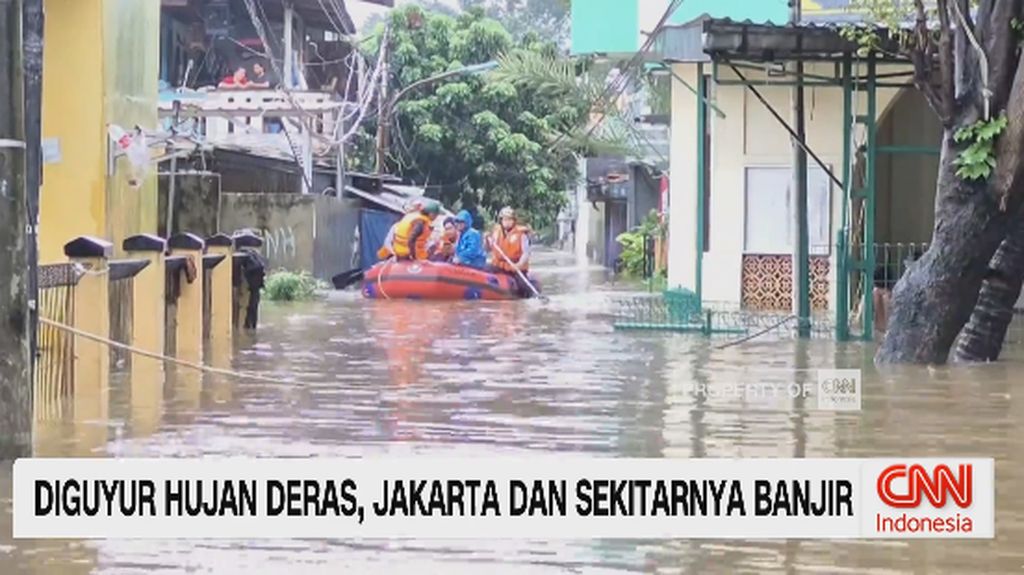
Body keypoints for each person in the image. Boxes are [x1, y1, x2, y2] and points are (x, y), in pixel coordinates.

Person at [487, 206, 535, 297]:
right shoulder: (496, 232)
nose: (507, 222)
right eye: (504, 220)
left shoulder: (521, 234)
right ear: (501, 221)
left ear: (514, 221)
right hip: (499, 265)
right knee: (484, 269)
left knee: (522, 286)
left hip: (515, 266)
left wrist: (519, 265)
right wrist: (486, 240)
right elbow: (488, 249)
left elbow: (526, 253)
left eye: (509, 220)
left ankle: (530, 295)